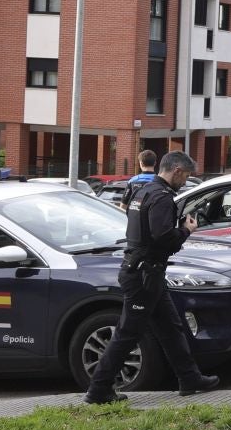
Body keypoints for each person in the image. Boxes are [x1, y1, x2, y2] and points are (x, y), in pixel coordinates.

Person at [84, 150, 221, 403]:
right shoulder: (161, 198)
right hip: (144, 276)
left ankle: (189, 378)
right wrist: (186, 230)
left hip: (147, 273)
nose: (185, 182)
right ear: (177, 171)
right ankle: (98, 389)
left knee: (171, 327)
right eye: (186, 176)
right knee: (127, 333)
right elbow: (163, 237)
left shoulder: (142, 191)